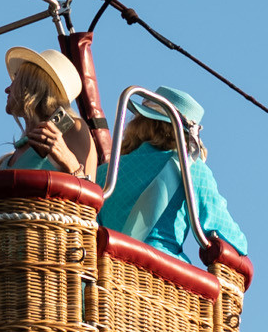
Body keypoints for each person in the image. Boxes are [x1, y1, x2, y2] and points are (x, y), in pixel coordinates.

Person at [97, 85, 247, 266]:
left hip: (105, 276)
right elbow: (231, 237)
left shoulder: (104, 173)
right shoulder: (192, 170)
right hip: (164, 279)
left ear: (140, 122)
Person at [0, 46, 99, 180]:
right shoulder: (5, 161)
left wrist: (68, 161)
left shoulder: (73, 129)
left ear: (33, 84)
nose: (7, 89)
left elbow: (89, 198)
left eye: (16, 79)